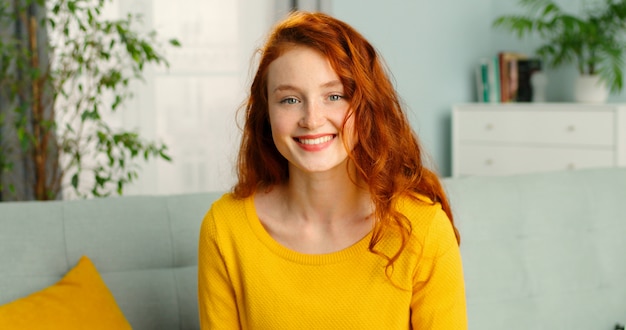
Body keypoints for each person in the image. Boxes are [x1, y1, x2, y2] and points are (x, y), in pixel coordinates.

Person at [197, 11, 467, 329]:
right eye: (289, 100)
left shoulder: (423, 228)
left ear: (367, 106)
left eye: (334, 96)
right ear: (265, 112)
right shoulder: (225, 228)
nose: (312, 119)